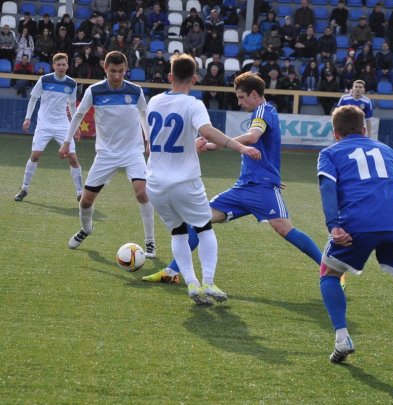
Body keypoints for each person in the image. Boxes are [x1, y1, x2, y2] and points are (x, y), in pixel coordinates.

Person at [144, 71, 323, 284]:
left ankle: (331, 271)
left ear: (254, 94)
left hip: (261, 188)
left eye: (241, 97)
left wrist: (216, 145)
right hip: (243, 188)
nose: (239, 102)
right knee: (199, 220)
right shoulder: (260, 112)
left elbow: (253, 137)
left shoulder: (263, 111)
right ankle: (172, 272)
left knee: (284, 228)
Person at [145, 54, 261, 303]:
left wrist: (190, 143)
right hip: (184, 181)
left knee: (178, 233)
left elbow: (155, 142)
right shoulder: (193, 104)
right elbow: (207, 131)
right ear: (195, 79)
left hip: (154, 183)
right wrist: (240, 147)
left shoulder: (153, 101)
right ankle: (208, 282)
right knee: (204, 229)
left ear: (170, 76)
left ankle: (191, 284)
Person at [317, 105, 393, 370]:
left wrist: (334, 226)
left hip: (356, 224)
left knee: (329, 273)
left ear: (335, 133)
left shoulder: (330, 152)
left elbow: (328, 187)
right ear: (365, 129)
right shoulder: (386, 149)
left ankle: (342, 338)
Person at [59, 51, 157, 259]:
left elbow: (143, 114)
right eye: (113, 71)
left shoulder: (135, 91)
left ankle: (150, 243)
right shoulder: (94, 91)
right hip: (106, 155)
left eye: (121, 71)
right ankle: (86, 229)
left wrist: (149, 139)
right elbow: (79, 114)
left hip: (133, 151)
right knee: (86, 201)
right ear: (105, 68)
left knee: (142, 193)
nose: (117, 75)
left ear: (126, 69)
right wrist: (67, 142)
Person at [14, 53, 83, 202]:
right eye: (58, 64)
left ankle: (80, 193)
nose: (61, 67)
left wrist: (76, 126)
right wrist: (27, 118)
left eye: (63, 64)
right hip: (44, 125)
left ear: (67, 66)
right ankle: (24, 188)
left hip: (63, 125)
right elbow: (33, 98)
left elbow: (72, 106)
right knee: (35, 156)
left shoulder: (71, 83)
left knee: (72, 158)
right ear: (53, 66)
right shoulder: (44, 80)